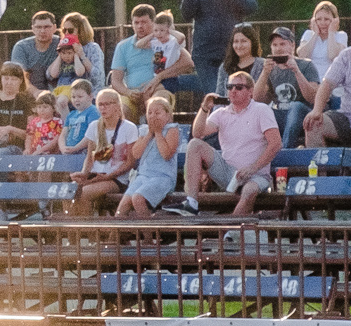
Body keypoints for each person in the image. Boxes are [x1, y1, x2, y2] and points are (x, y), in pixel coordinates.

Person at [184, 73, 280, 217]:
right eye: (230, 87)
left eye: (239, 87)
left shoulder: (261, 110)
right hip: (227, 172)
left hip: (256, 174)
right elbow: (198, 133)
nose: (233, 90)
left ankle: (229, 231)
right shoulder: (222, 113)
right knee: (194, 144)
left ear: (250, 91)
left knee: (249, 192)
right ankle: (191, 202)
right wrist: (204, 108)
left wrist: (252, 168)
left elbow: (276, 144)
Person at [180, 0, 259, 93]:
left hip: (232, 53)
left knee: (231, 93)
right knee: (214, 93)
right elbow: (186, 13)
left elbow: (251, 8)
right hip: (204, 54)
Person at [109, 4, 195, 118]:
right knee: (121, 112)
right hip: (133, 92)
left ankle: (160, 134)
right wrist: (128, 93)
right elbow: (115, 81)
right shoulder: (123, 46)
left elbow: (188, 63)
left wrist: (159, 78)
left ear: (153, 22)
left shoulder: (163, 41)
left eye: (144, 22)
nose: (140, 26)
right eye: (136, 23)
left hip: (159, 89)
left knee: (157, 105)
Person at [71, 89, 140, 215]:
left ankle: (91, 232)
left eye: (107, 104)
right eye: (100, 104)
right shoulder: (94, 126)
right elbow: (90, 157)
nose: (103, 108)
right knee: (68, 191)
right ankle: (76, 233)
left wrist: (109, 176)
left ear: (117, 106)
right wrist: (83, 174)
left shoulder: (129, 128)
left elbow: (130, 162)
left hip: (117, 179)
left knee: (84, 193)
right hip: (95, 175)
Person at [116, 96, 184, 218]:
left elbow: (166, 154)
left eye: (157, 113)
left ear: (167, 115)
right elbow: (136, 154)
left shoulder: (172, 130)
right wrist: (149, 134)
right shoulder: (144, 131)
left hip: (163, 176)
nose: (153, 116)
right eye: (150, 113)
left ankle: (149, 236)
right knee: (123, 205)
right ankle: (115, 236)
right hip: (143, 176)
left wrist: (157, 132)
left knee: (138, 199)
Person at [254, 26, 317, 148]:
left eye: (282, 44)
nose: (278, 49)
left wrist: (297, 71)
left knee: (296, 106)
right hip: (280, 113)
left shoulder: (306, 65)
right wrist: (264, 73)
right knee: (260, 110)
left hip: (303, 115)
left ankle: (285, 151)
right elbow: (257, 99)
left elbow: (313, 98)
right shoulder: (269, 68)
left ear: (292, 45)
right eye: (275, 45)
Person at [34, 13, 105, 96]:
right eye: (64, 30)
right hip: (64, 91)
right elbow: (49, 76)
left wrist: (82, 56)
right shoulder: (63, 46)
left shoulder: (92, 48)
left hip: (88, 93)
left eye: (70, 30)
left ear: (81, 30)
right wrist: (61, 55)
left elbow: (98, 77)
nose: (67, 33)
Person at [297, 1, 346, 110]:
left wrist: (331, 33)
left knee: (338, 102)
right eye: (319, 19)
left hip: (333, 87)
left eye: (327, 19)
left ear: (334, 20)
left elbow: (333, 56)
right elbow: (302, 56)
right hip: (312, 85)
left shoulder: (341, 36)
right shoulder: (308, 34)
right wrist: (315, 34)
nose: (322, 23)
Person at [9, 12, 63, 93]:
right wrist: (37, 93)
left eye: (47, 27)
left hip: (61, 93)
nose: (42, 31)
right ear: (33, 29)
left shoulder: (62, 44)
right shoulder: (21, 47)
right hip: (30, 93)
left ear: (54, 28)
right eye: (38, 27)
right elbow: (20, 77)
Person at [58, 80, 100, 156]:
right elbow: (63, 134)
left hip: (85, 152)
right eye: (73, 97)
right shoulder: (71, 114)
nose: (76, 100)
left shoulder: (93, 111)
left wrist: (75, 148)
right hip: (70, 152)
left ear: (90, 97)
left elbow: (92, 134)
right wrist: (63, 148)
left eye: (80, 97)